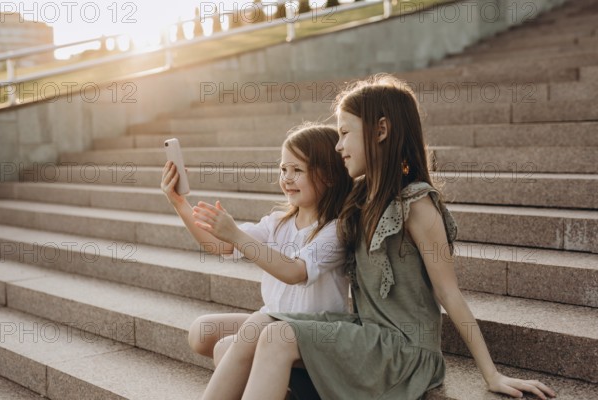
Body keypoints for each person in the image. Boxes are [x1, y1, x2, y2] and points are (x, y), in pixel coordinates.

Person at [200, 74, 558, 400]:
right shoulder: (358, 199)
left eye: (344, 133)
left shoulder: (416, 206)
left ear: (380, 130)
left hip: (404, 352)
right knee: (259, 325)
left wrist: (491, 374)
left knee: (277, 336)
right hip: (364, 334)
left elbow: (449, 292)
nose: (338, 146)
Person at [160, 123, 352, 369]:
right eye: (283, 169)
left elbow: (295, 272)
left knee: (226, 347)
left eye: (297, 169)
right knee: (201, 332)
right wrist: (179, 203)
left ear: (330, 175)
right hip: (273, 319)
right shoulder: (277, 223)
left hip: (310, 333)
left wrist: (237, 235)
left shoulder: (335, 229)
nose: (287, 178)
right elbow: (221, 246)